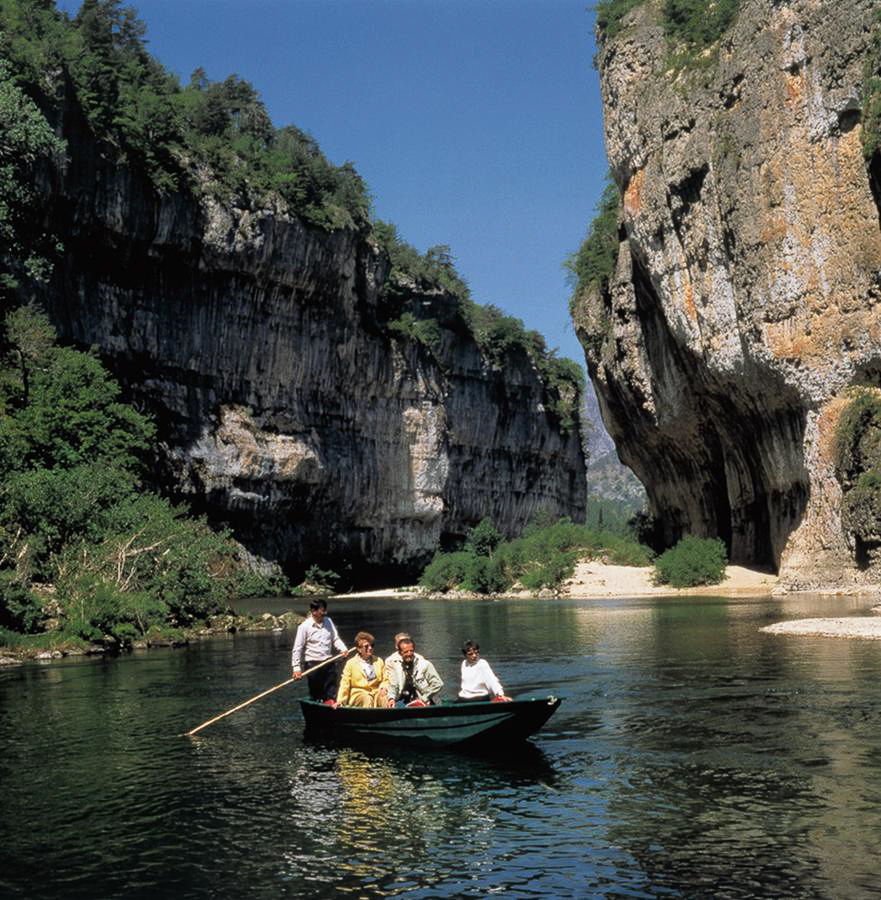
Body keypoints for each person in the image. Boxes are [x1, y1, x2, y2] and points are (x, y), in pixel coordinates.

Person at [291, 598, 348, 701]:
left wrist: (343, 649)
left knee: (331, 690)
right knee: (316, 693)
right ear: (314, 612)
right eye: (322, 611)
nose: (324, 613)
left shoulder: (328, 621)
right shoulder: (304, 627)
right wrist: (296, 668)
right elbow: (297, 648)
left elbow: (335, 638)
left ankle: (331, 707)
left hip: (328, 661)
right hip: (312, 664)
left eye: (325, 610)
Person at [383, 636, 443, 706]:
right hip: (405, 700)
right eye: (406, 652)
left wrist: (424, 698)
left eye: (411, 651)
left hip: (426, 701)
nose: (409, 654)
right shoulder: (395, 665)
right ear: (400, 653)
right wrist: (391, 698)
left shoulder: (425, 664)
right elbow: (393, 684)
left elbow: (438, 684)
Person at [337, 632, 388, 708]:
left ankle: (388, 717)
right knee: (366, 698)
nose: (370, 648)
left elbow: (386, 679)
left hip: (376, 691)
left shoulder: (379, 661)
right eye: (366, 646)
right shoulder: (350, 664)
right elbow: (345, 684)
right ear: (359, 649)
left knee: (384, 697)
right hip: (359, 694)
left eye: (372, 645)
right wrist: (340, 701)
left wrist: (383, 688)